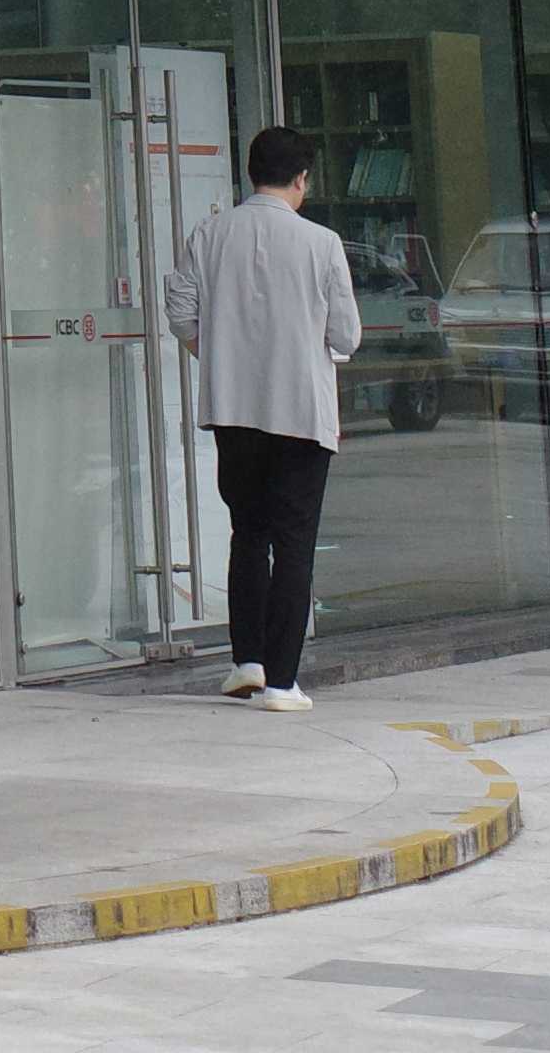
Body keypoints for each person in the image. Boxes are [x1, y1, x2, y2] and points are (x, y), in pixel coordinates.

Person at [172, 119, 365, 709]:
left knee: (248, 534)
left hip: (233, 411)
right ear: (301, 179)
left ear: (251, 174)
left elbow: (180, 311)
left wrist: (218, 354)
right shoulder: (322, 243)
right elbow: (347, 335)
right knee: (295, 542)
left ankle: (247, 662)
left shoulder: (209, 234)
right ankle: (283, 681)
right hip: (301, 412)